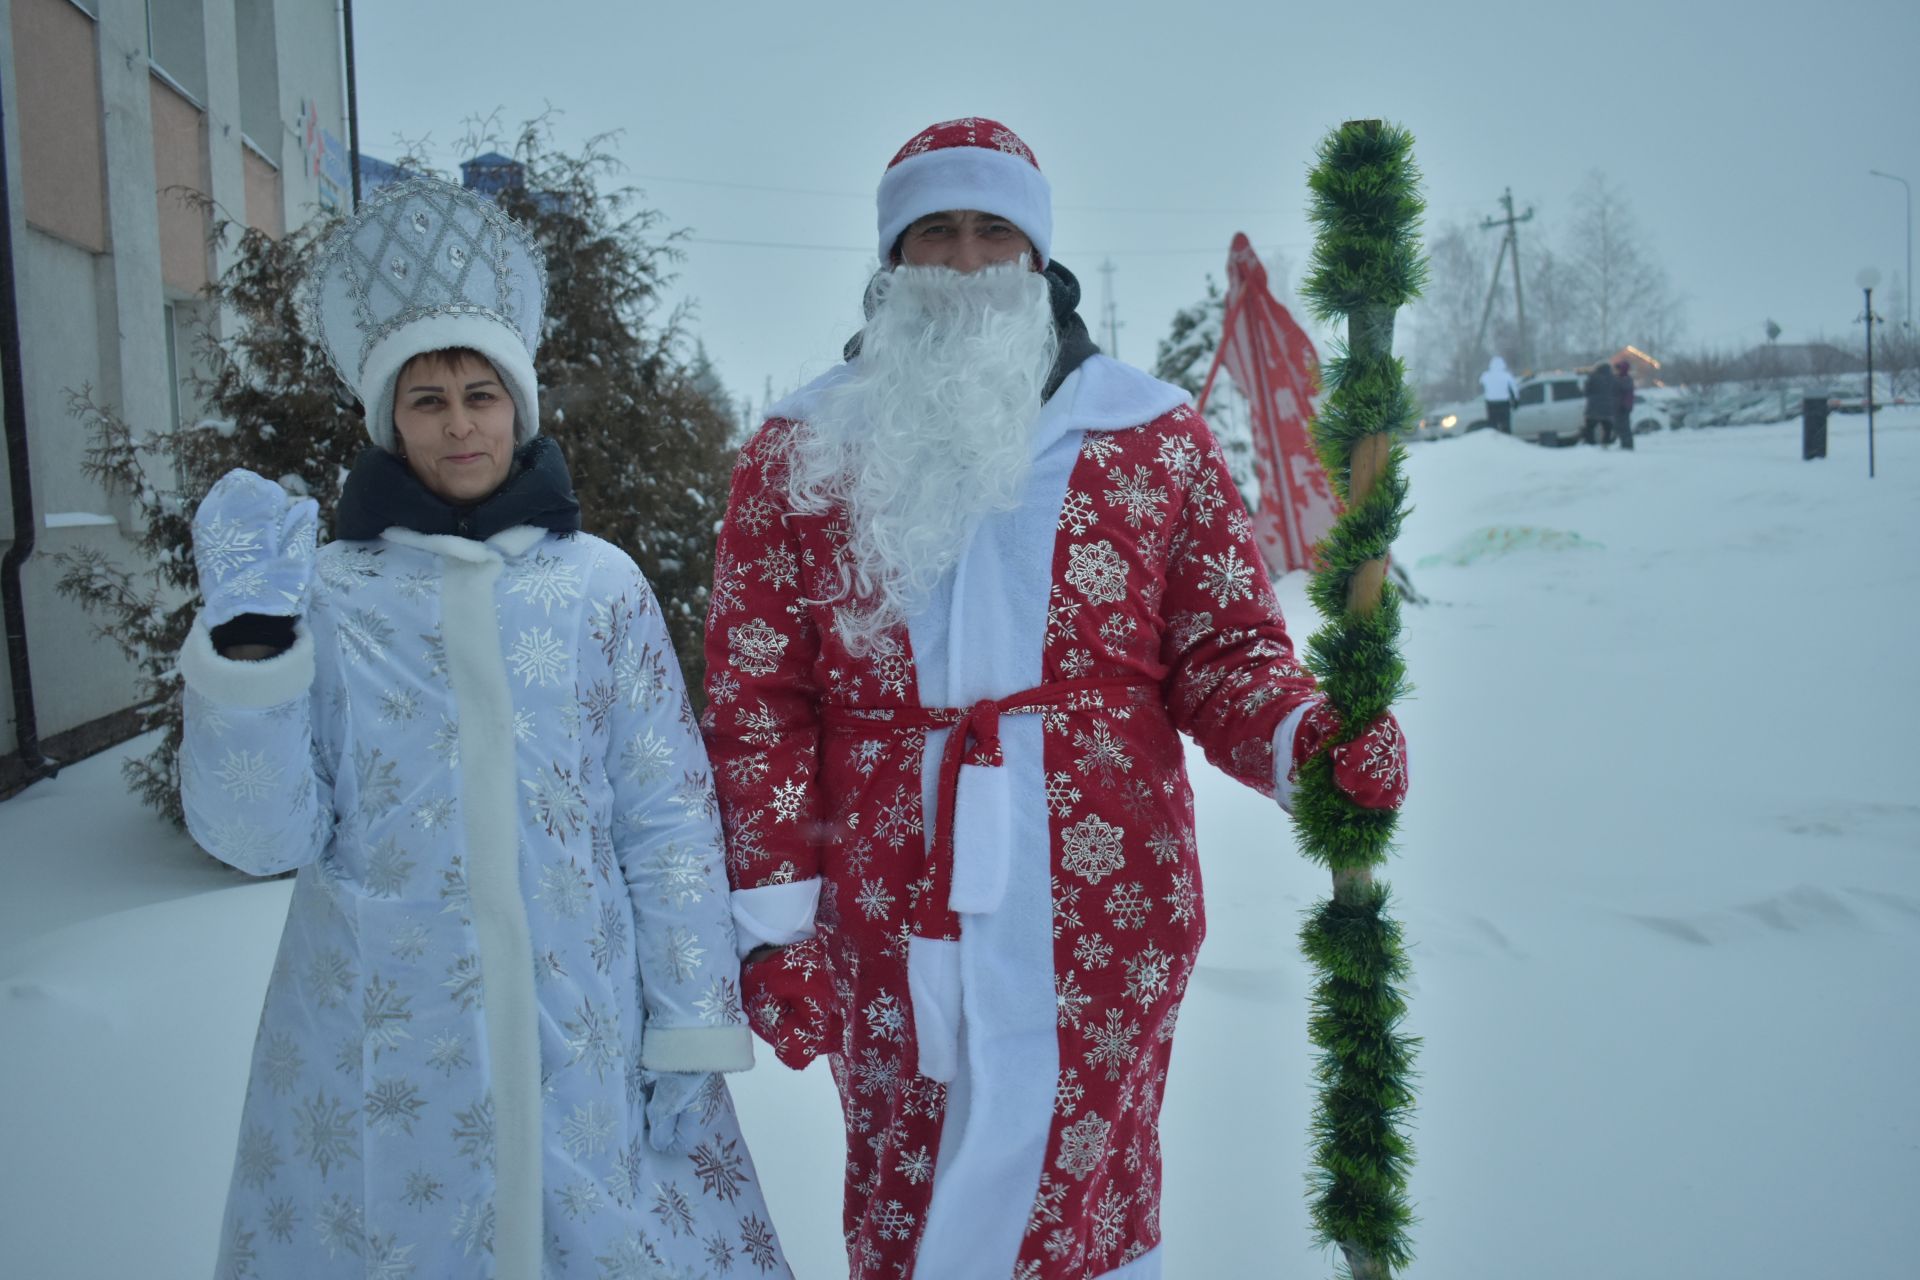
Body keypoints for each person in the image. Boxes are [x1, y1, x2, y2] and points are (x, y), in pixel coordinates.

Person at [701, 118, 1408, 1279]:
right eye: (937, 234)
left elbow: (1225, 647)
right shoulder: (798, 449)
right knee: (908, 1175)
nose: (968, 263)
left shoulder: (1150, 435)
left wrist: (1308, 741)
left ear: (1040, 258)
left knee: (1086, 1189)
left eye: (995, 233)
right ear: (891, 261)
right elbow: (758, 699)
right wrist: (775, 925)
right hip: (886, 905)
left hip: (1105, 894)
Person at [178, 179, 789, 1279]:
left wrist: (691, 1012)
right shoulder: (330, 592)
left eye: (480, 391)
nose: (460, 421)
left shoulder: (598, 588)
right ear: (388, 419)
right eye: (426, 399)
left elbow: (664, 809)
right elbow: (262, 835)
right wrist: (252, 659)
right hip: (383, 1027)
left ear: (518, 406)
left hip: (579, 1017)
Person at [1479, 353, 1520, 433]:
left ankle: (1494, 442)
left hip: (1491, 403)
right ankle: (1506, 441)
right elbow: (1514, 390)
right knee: (1505, 425)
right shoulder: (1507, 376)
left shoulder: (1485, 375)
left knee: (1492, 425)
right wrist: (1516, 402)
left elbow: (1480, 384)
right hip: (1504, 403)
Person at [1583, 358, 1618, 445]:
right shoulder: (1613, 378)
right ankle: (1606, 444)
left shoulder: (1592, 377)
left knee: (1590, 428)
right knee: (1607, 428)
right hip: (1608, 408)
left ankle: (1590, 445)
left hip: (1593, 407)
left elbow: (1586, 392)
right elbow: (1616, 392)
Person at [1613, 357, 1637, 451]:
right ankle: (1624, 444)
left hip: (1623, 407)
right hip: (1621, 406)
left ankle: (1627, 446)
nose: (1617, 371)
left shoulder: (1626, 379)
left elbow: (1621, 390)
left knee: (1624, 427)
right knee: (1621, 427)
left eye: (1618, 369)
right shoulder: (1624, 378)